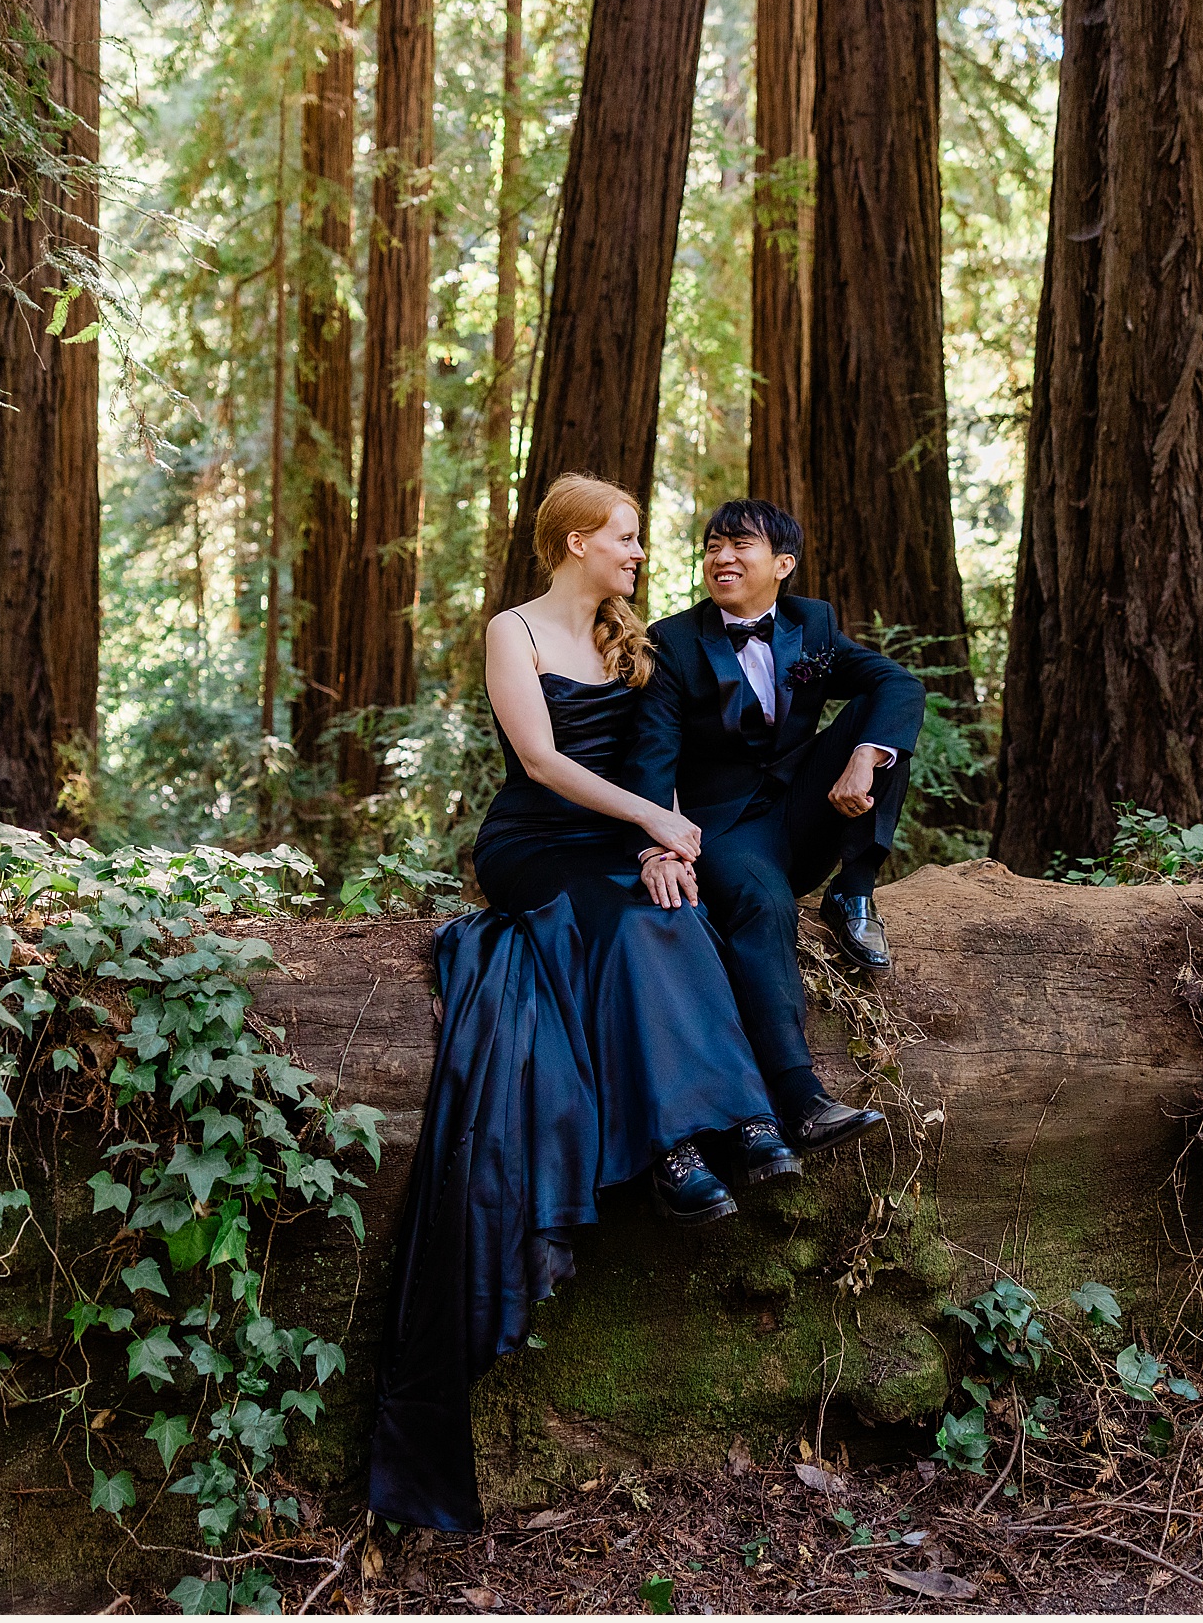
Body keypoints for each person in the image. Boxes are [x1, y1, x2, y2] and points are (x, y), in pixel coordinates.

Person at [367, 474, 799, 1535]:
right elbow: (541, 759)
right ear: (572, 539)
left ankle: (735, 1122)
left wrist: (662, 841)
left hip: (618, 836)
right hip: (532, 841)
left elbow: (665, 762)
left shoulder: (632, 640)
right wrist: (649, 820)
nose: (642, 553)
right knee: (607, 924)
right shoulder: (511, 629)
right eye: (627, 537)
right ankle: (667, 1151)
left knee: (670, 914)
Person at [622, 497, 926, 1153]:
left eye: (739, 546)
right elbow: (653, 755)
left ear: (782, 564)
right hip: (725, 830)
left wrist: (865, 757)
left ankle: (855, 888)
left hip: (803, 812)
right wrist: (661, 845)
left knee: (884, 718)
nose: (721, 558)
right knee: (764, 903)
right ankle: (800, 1099)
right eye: (712, 547)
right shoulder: (673, 642)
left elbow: (896, 684)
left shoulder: (810, 624)